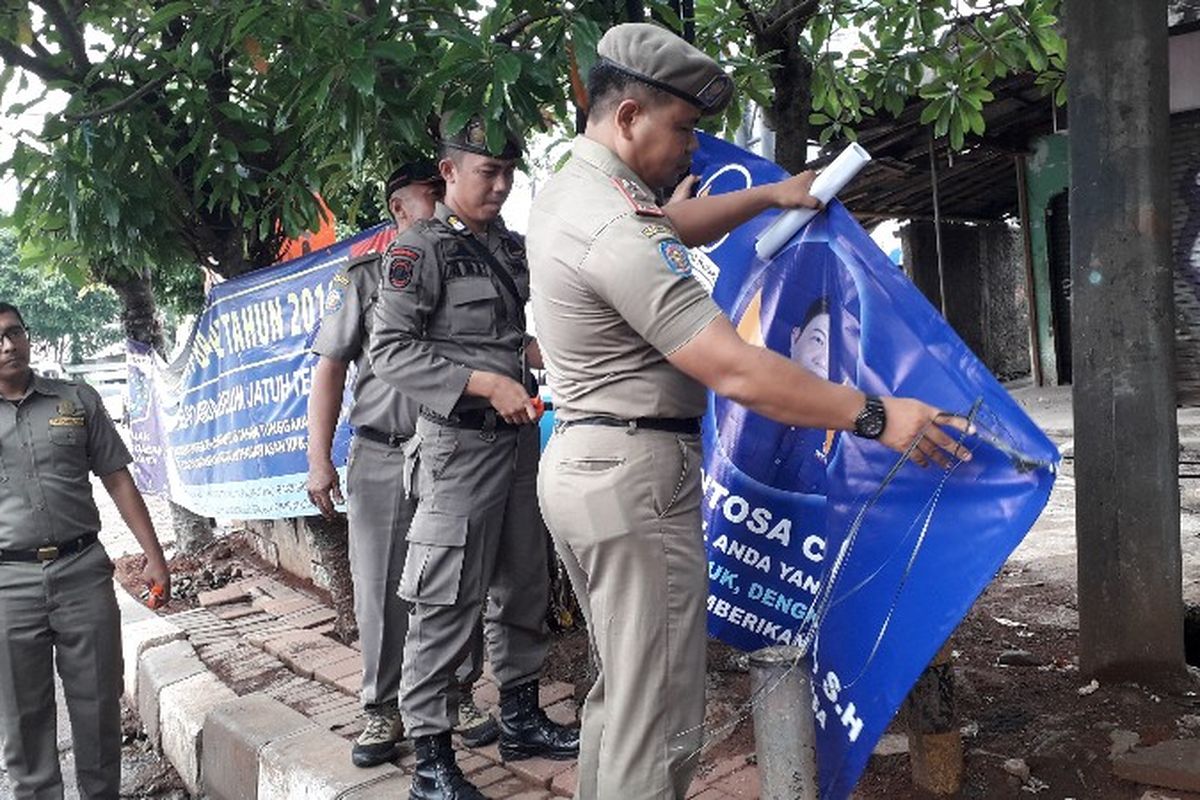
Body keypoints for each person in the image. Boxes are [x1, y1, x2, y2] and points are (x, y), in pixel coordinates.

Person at [527, 22, 972, 800]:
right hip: (633, 481)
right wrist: (876, 415)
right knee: (659, 720)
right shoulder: (611, 220)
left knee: (622, 698)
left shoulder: (576, 186)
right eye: (684, 128)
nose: (692, 150)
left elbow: (662, 229)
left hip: (585, 466)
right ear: (630, 115)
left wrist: (769, 195)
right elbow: (733, 368)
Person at [368, 117, 579, 800]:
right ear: (448, 173)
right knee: (445, 596)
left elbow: (509, 338)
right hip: (458, 447)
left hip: (519, 441)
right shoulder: (416, 249)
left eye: (507, 171)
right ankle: (431, 760)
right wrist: (485, 383)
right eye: (485, 171)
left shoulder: (510, 250)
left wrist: (549, 360)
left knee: (523, 581)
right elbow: (390, 350)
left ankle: (519, 715)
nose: (500, 183)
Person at [306, 162, 498, 769]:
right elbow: (330, 369)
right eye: (432, 195)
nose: (446, 203)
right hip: (386, 453)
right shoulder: (367, 276)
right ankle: (382, 708)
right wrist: (319, 460)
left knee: (454, 580)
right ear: (400, 209)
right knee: (384, 587)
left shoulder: (475, 264)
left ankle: (455, 695)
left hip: (455, 451)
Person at [0, 301, 172, 799]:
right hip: (8, 585)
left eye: (15, 332)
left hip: (82, 574)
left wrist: (154, 558)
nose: (9, 345)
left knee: (97, 708)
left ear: (28, 336)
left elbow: (118, 479)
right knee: (23, 720)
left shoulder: (75, 400)